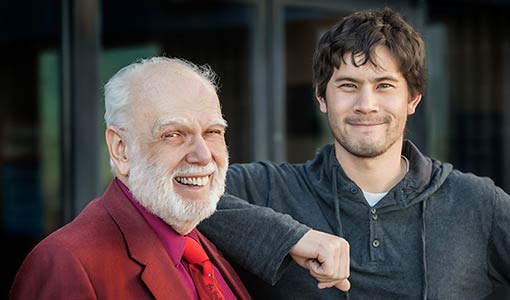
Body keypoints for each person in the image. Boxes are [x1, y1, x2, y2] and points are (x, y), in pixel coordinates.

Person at [199, 7, 510, 300]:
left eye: (384, 85)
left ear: (413, 100)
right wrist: (291, 237)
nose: (366, 104)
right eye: (348, 85)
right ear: (322, 97)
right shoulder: (267, 190)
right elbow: (167, 192)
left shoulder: (478, 204)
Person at [10, 57, 251, 300]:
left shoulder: (209, 246)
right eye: (173, 134)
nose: (203, 155)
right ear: (121, 149)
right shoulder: (64, 263)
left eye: (212, 132)